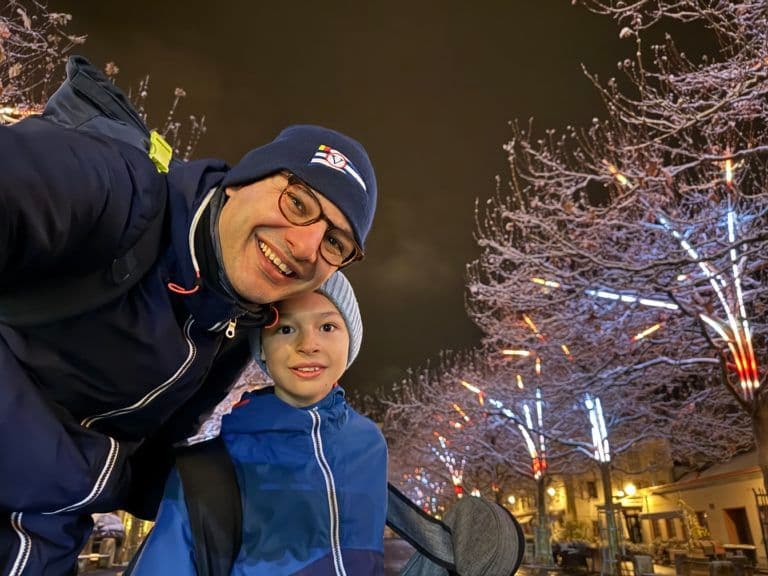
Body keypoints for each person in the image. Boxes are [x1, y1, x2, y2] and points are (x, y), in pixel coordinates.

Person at [0, 82, 378, 573]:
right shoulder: (115, 188)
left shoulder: (229, 327)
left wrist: (248, 486)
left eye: (335, 243)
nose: (306, 247)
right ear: (243, 181)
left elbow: (149, 469)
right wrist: (84, 471)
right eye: (299, 203)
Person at [127, 271, 388, 575]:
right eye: (286, 328)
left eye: (328, 326)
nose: (308, 344)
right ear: (261, 346)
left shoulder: (370, 444)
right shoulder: (203, 472)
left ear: (352, 339)